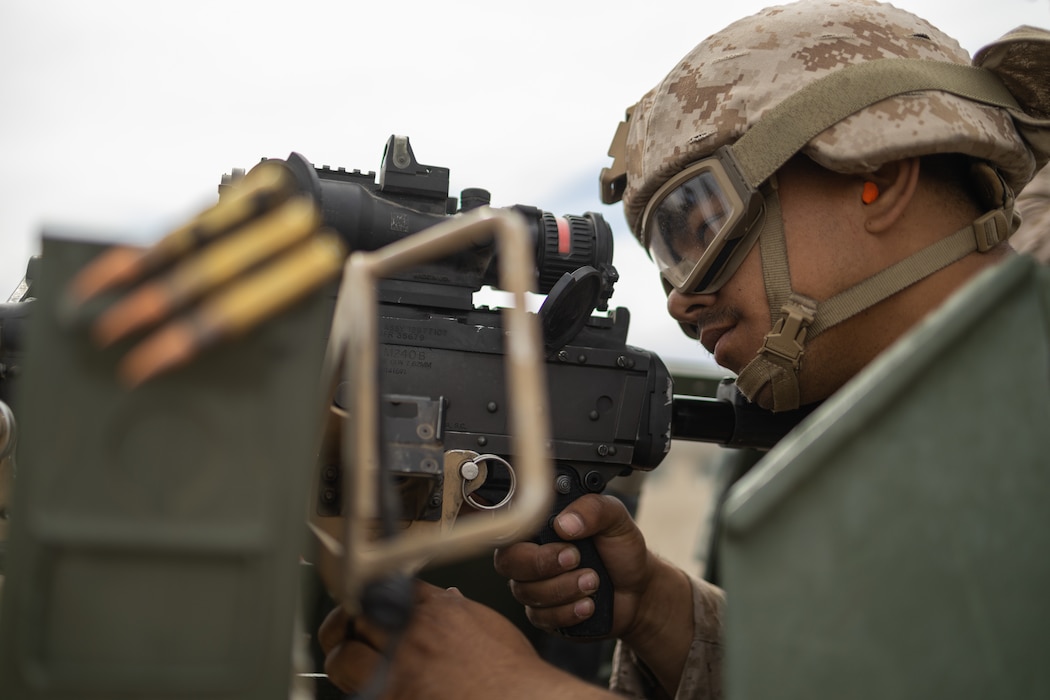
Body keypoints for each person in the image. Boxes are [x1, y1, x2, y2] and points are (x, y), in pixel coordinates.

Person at [320, 1, 1050, 698]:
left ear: (880, 174)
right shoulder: (949, 426)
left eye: (699, 226)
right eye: (665, 259)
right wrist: (667, 614)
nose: (679, 299)